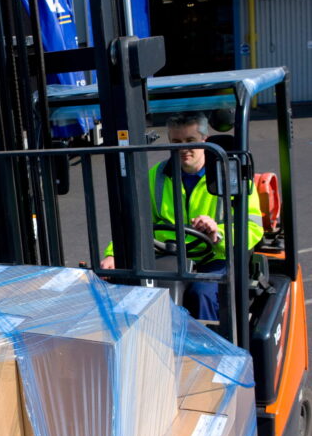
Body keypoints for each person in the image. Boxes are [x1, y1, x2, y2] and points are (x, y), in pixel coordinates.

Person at [100, 112, 264, 321]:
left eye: (190, 141)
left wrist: (218, 232)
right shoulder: (156, 177)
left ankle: (209, 350)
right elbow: (135, 221)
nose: (183, 148)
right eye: (176, 141)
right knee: (138, 293)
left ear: (205, 140)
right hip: (170, 256)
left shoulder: (232, 178)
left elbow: (252, 227)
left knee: (201, 294)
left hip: (216, 256)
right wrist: (114, 253)